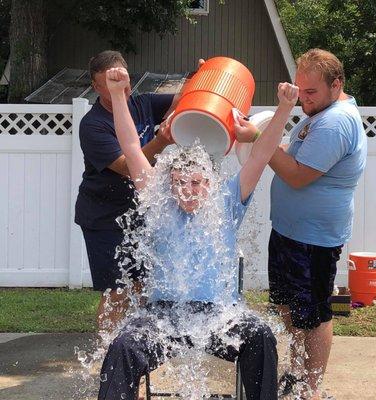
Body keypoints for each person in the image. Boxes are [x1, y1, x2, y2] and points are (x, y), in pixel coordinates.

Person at [96, 66, 299, 400]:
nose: (186, 191)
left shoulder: (227, 201)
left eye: (195, 183)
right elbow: (132, 147)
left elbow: (261, 155)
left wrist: (284, 109)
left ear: (209, 182)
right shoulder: (158, 202)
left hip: (219, 314)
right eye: (178, 183)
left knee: (261, 335)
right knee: (123, 346)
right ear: (169, 182)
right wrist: (118, 95)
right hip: (163, 315)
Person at [267, 49, 367, 399]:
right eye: (300, 90)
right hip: (290, 233)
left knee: (315, 313)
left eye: (310, 92)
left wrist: (259, 142)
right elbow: (295, 154)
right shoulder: (319, 113)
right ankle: (296, 372)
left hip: (314, 240)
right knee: (290, 308)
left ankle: (310, 389)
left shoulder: (337, 121)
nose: (302, 99)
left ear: (336, 84)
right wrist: (267, 139)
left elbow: (297, 175)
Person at [75, 50, 177, 332]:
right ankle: (107, 351)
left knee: (143, 287)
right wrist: (161, 141)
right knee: (117, 292)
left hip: (136, 213)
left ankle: (131, 347)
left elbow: (185, 99)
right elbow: (130, 167)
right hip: (103, 217)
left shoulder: (142, 103)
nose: (121, 88)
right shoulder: (93, 124)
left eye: (124, 79)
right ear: (95, 86)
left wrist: (201, 77)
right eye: (109, 82)